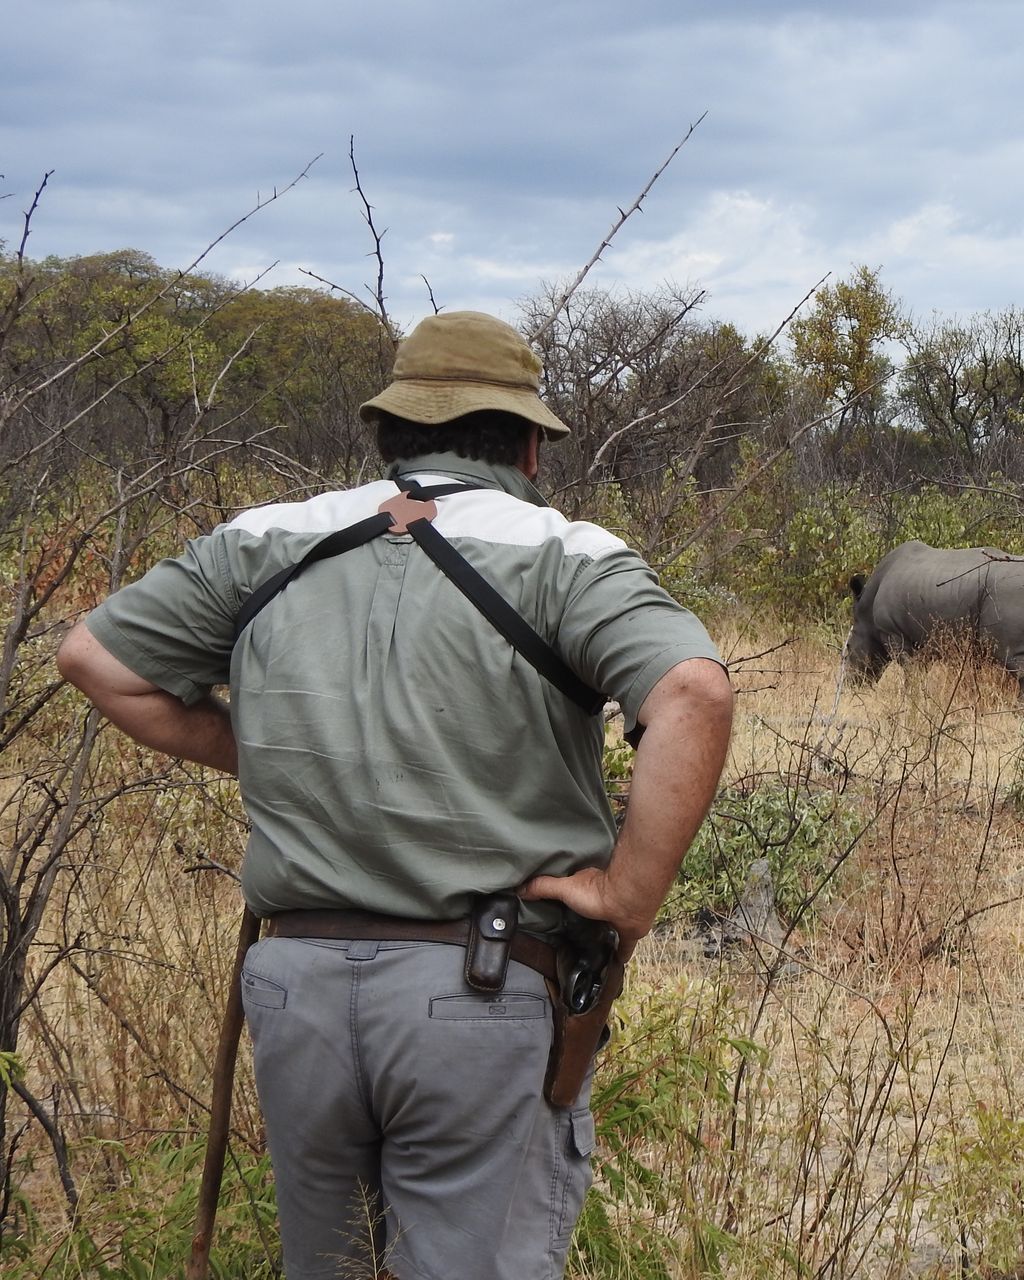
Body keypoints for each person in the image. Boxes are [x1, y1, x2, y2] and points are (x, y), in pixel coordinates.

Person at [57, 310, 734, 1278]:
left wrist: (283, 753)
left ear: (389, 434)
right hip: (480, 992)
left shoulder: (269, 535)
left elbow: (92, 657)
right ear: (530, 445)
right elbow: (695, 692)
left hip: (295, 993)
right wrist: (627, 896)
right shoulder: (567, 553)